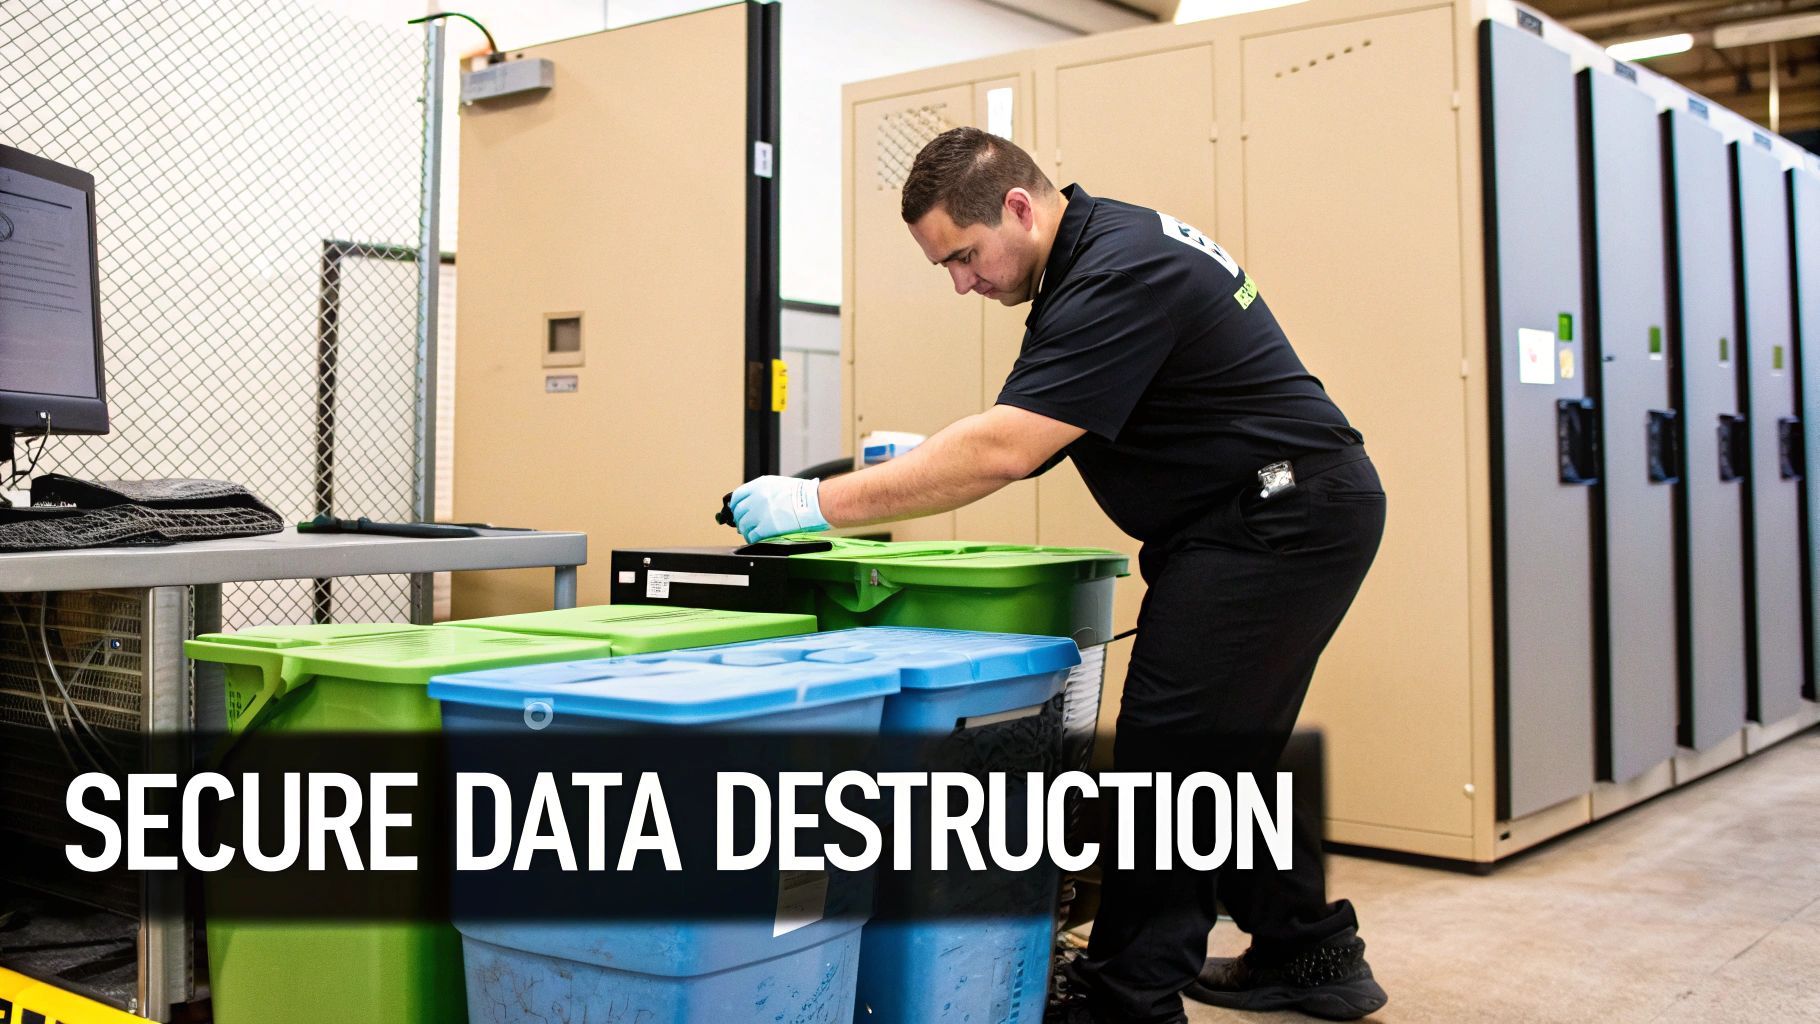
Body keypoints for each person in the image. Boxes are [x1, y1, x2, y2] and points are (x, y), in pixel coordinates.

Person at [727, 127, 1388, 1024]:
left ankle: (1125, 1001)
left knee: (1170, 758)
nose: (962, 283)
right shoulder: (1096, 258)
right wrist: (852, 478)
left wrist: (816, 508)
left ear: (1017, 208)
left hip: (1272, 522)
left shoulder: (1119, 271)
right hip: (1279, 512)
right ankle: (1310, 953)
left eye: (961, 257)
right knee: (1227, 745)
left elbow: (1005, 449)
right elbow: (1027, 430)